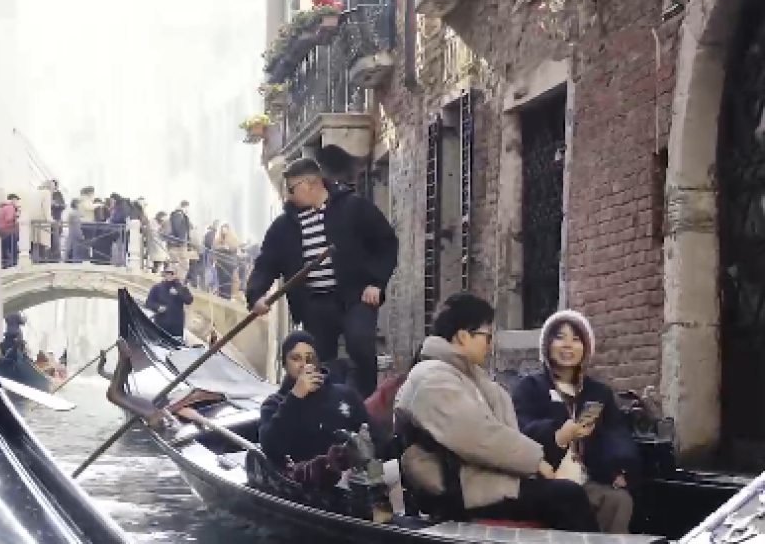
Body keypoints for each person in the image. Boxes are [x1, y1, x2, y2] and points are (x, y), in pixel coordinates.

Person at [394, 293, 598, 532]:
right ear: (463, 336)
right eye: (487, 336)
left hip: (483, 481)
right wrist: (535, 461)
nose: (489, 345)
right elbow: (478, 435)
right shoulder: (432, 378)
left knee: (573, 494)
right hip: (464, 491)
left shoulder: (469, 377)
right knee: (569, 497)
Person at [246, 156, 398, 397]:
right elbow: (266, 263)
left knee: (360, 342)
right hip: (314, 303)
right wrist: (256, 295)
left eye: (292, 189)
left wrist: (376, 283)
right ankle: (324, 406)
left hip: (355, 296)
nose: (288, 196)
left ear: (310, 184)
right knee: (317, 359)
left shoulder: (354, 208)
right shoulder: (284, 227)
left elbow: (386, 243)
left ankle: (365, 403)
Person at [512, 311, 640, 533]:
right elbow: (522, 429)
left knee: (619, 501)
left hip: (587, 478)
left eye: (576, 339)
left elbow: (615, 433)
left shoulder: (598, 392)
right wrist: (558, 435)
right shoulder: (530, 387)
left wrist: (619, 468)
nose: (568, 345)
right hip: (547, 479)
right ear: (547, 345)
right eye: (560, 337)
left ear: (586, 348)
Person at [260, 331, 371, 472]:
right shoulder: (274, 404)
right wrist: (295, 397)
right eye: (296, 358)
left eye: (310, 358)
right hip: (300, 480)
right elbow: (271, 446)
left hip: (350, 478)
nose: (304, 364)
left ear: (318, 362)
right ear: (285, 364)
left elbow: (370, 437)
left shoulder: (346, 395)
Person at [144, 268, 194, 338]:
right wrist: (157, 307)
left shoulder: (182, 288)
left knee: (176, 342)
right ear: (164, 275)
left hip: (176, 325)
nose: (169, 276)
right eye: (167, 273)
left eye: (172, 274)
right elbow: (148, 303)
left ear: (175, 275)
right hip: (161, 324)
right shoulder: (157, 288)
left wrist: (178, 294)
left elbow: (189, 300)